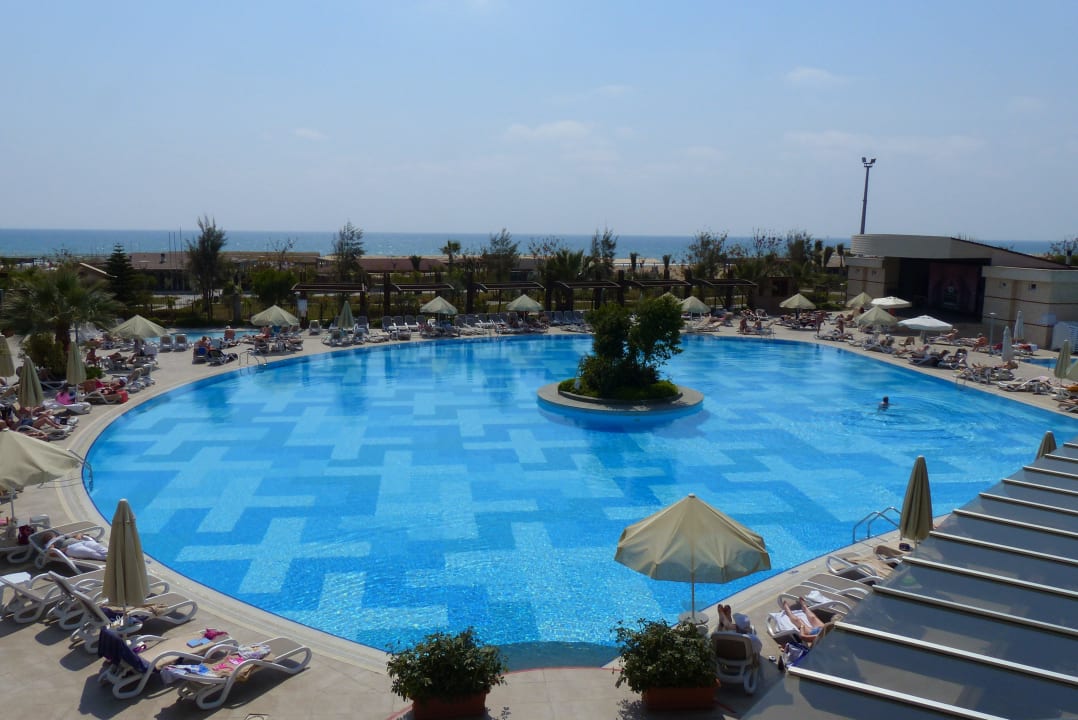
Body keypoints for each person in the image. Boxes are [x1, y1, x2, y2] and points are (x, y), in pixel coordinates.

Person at [41, 531, 109, 561]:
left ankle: (113, 556)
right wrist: (64, 550)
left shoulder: (61, 537)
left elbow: (77, 537)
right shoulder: (50, 543)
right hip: (71, 548)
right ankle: (110, 560)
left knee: (100, 548)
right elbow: (51, 553)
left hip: (82, 542)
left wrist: (80, 534)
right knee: (92, 553)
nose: (53, 535)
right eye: (50, 535)